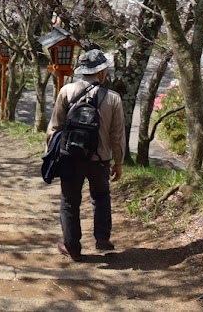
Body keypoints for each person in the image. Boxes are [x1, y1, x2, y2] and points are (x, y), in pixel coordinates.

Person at [46, 48, 125, 261]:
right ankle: (102, 238)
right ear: (101, 72)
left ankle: (72, 247)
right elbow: (117, 136)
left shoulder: (66, 91)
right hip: (100, 160)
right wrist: (118, 162)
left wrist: (52, 155)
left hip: (70, 158)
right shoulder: (113, 99)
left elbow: (53, 128)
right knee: (101, 196)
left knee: (69, 200)